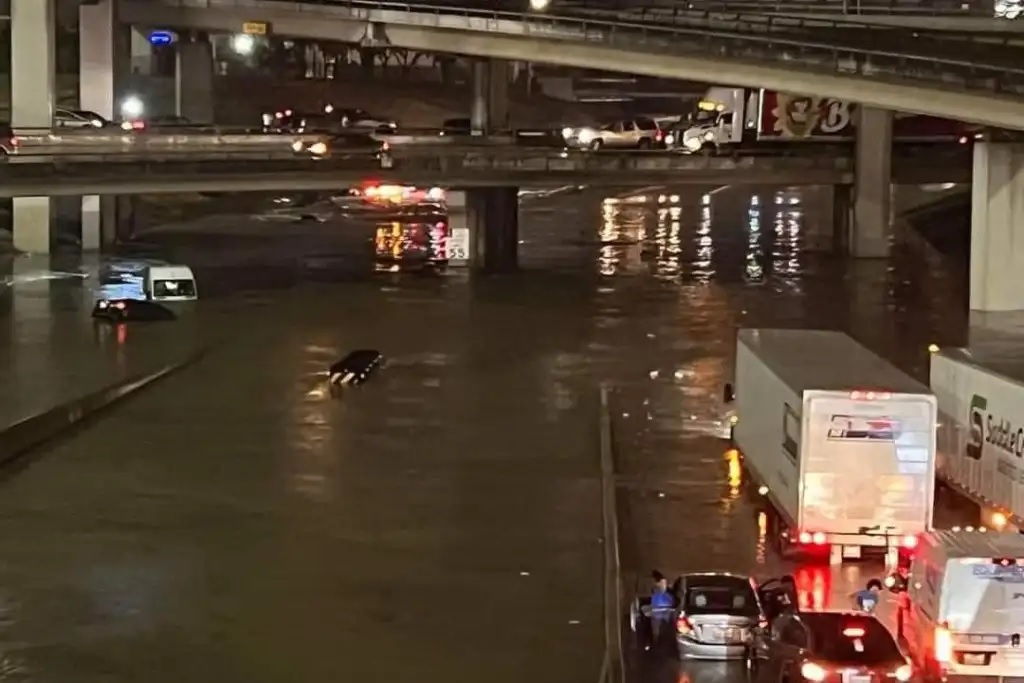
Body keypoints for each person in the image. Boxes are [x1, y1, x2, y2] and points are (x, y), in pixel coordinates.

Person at [649, 571, 676, 641]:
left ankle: (657, 639)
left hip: (663, 610)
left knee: (660, 627)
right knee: (658, 627)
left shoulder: (661, 588)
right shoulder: (658, 590)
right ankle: (657, 640)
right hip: (661, 610)